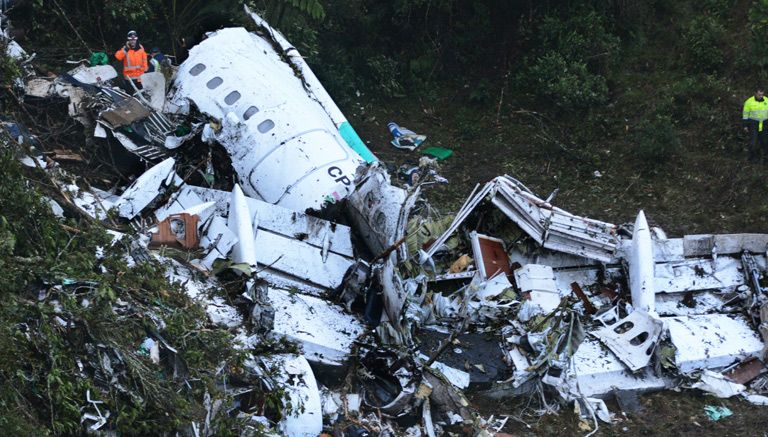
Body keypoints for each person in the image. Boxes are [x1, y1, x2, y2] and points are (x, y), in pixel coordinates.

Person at [742, 87, 768, 163]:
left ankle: (766, 159)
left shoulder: (767, 100)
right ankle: (752, 159)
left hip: (765, 124)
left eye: (762, 95)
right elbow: (745, 114)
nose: (761, 96)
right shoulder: (749, 102)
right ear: (755, 93)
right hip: (753, 124)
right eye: (759, 95)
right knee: (753, 143)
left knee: (766, 142)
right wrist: (745, 125)